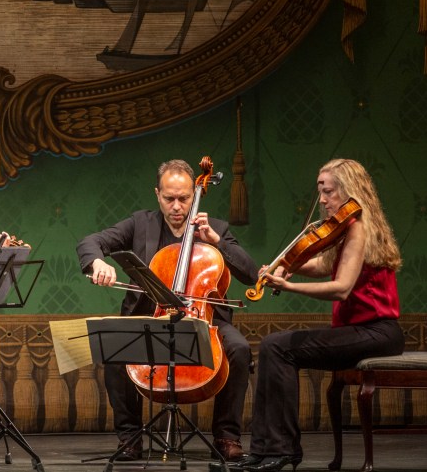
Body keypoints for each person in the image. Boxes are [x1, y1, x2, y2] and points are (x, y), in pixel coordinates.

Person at [76, 159, 259, 462]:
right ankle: (131, 437)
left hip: (204, 321)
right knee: (115, 349)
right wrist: (97, 262)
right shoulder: (140, 224)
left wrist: (218, 244)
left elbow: (251, 274)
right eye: (169, 198)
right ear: (157, 194)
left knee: (238, 349)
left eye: (184, 198)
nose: (177, 206)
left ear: (193, 195)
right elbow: (90, 241)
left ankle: (227, 436)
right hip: (153, 319)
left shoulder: (214, 229)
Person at [229, 159, 404, 472]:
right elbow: (324, 266)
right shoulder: (346, 228)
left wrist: (289, 285)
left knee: (279, 346)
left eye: (329, 191)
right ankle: (262, 450)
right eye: (321, 191)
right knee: (272, 344)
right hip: (360, 332)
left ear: (349, 190)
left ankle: (282, 450)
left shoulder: (358, 229)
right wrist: (285, 265)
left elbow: (341, 289)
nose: (322, 199)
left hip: (377, 334)